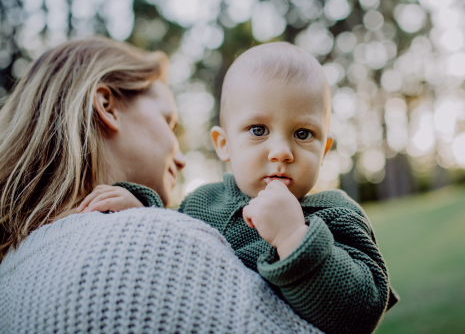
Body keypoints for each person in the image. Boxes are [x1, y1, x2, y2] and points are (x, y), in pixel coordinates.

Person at [0, 38, 321, 333]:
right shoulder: (150, 244)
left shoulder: (13, 273)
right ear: (107, 107)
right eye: (169, 121)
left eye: (303, 133)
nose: (181, 159)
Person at [81, 42, 399, 334]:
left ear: (324, 149)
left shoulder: (334, 213)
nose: (281, 152)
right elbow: (171, 238)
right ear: (224, 145)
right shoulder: (203, 204)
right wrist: (140, 209)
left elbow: (364, 311)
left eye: (303, 134)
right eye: (258, 130)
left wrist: (294, 238)